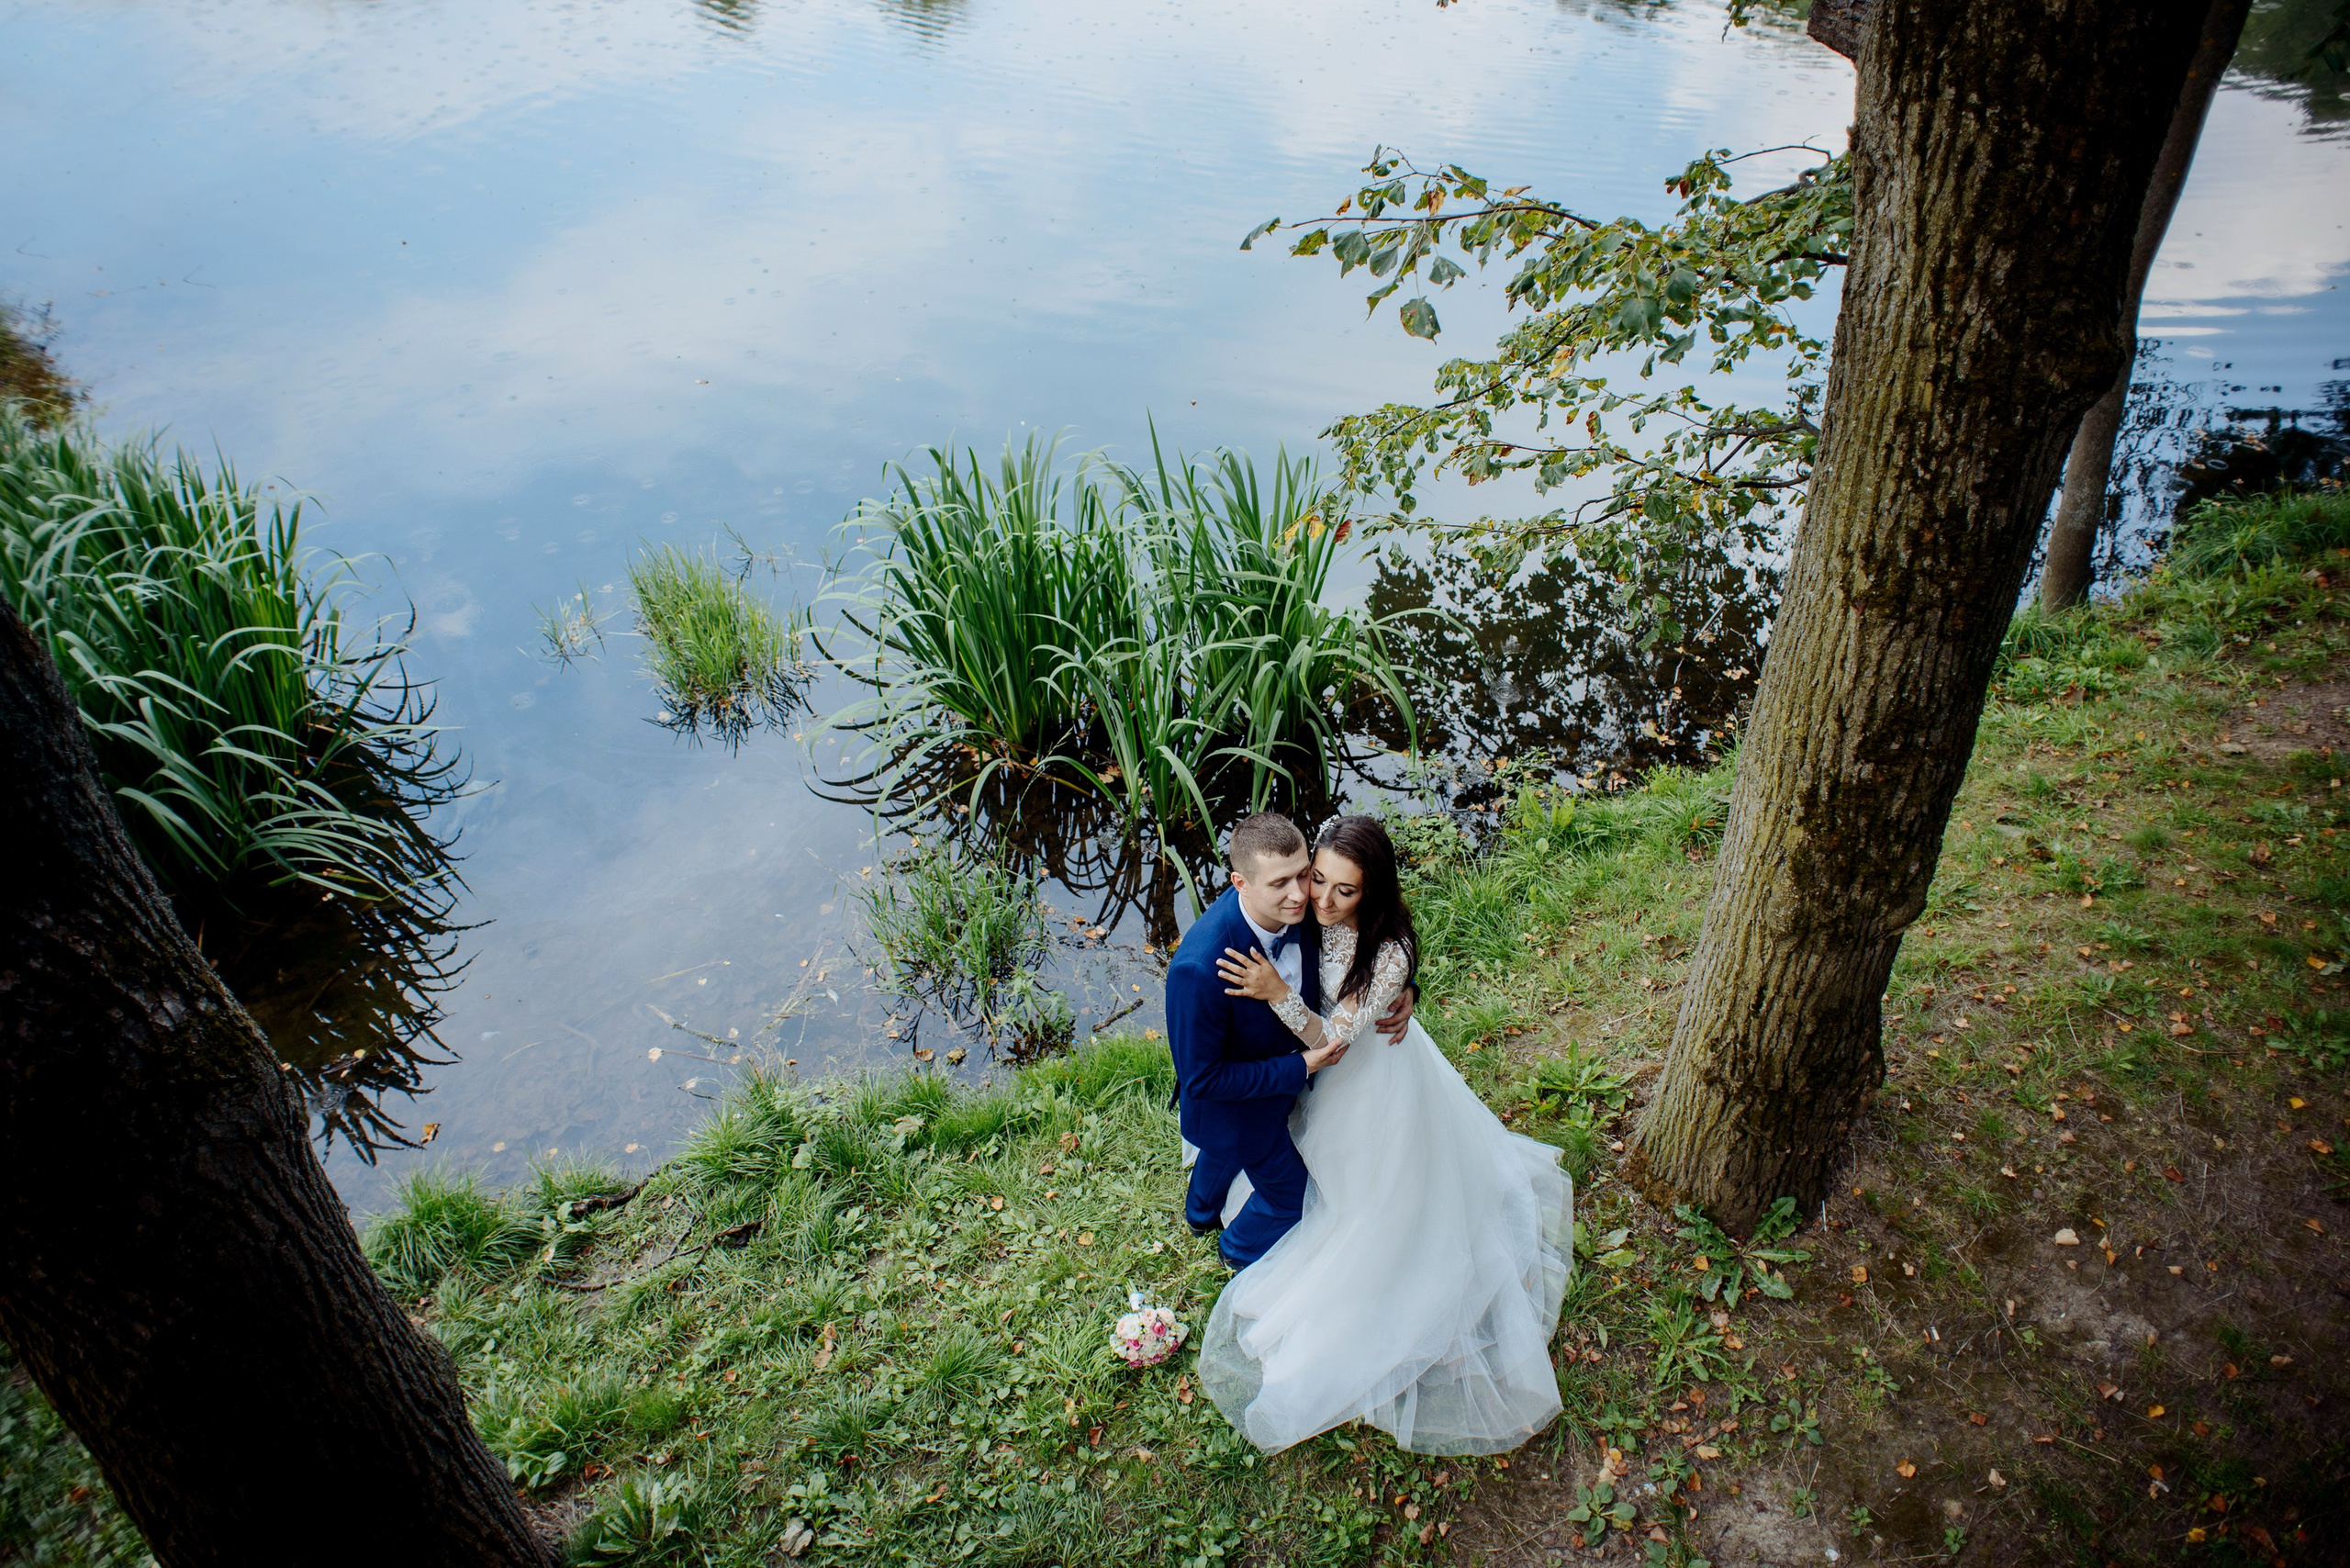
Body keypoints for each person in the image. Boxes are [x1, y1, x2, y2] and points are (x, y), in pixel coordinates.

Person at [1194, 814, 1575, 1456]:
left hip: (1362, 1077)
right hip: (1304, 1072)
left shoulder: (1387, 952)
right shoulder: (1300, 896)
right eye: (1319, 880)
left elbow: (1333, 1042)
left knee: (1361, 1197)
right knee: (1280, 1148)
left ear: (1370, 893)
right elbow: (1264, 885)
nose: (1320, 900)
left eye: (1345, 891)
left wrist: (1283, 993)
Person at [1163, 813, 1412, 1271]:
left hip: (1331, 1075)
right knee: (1290, 1196)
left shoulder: (1306, 908)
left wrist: (1401, 988)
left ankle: (1199, 1216)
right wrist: (1300, 1067)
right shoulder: (1197, 971)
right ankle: (1234, 1253)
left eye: (1305, 875)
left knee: (1222, 1154)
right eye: (1284, 883)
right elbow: (1202, 1079)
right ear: (1241, 883)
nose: (1304, 896)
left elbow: (1373, 954)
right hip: (1242, 1103)